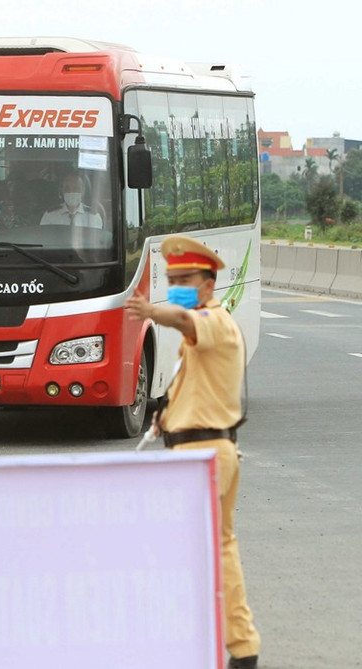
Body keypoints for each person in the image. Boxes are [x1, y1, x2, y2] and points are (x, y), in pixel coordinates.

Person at [124, 236, 260, 669]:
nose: (177, 287)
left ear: (208, 284)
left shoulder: (213, 321)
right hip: (202, 450)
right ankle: (237, 646)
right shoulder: (204, 332)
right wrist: (166, 417)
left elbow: (183, 318)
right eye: (173, 279)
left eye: (185, 280)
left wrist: (151, 312)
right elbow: (195, 389)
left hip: (205, 455)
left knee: (192, 550)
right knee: (213, 549)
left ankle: (204, 642)